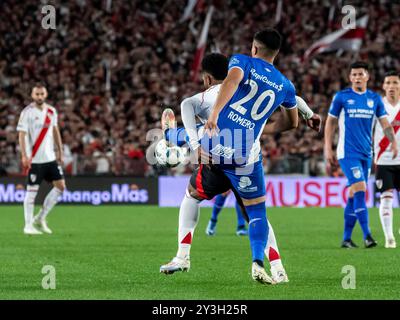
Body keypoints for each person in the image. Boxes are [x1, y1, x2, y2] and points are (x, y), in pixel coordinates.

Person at [162, 28, 299, 285]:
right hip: (245, 158)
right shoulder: (284, 84)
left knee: (191, 194)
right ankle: (272, 266)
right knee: (257, 214)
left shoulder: (239, 66)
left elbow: (227, 84)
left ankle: (182, 256)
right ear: (277, 53)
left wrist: (212, 117)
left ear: (254, 48)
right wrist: (267, 127)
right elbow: (291, 121)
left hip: (217, 152)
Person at [324, 62, 398, 249]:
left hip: (366, 153)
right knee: (360, 189)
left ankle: (346, 238)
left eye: (360, 74)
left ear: (367, 76)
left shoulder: (374, 99)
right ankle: (368, 236)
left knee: (353, 193)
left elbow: (385, 124)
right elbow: (330, 123)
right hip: (347, 153)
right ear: (350, 78)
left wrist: (394, 142)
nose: (357, 77)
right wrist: (327, 147)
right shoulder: (342, 97)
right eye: (354, 74)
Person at [17, 84, 66, 235]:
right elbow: (22, 135)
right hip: (35, 160)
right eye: (37, 94)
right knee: (32, 193)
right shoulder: (27, 112)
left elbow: (55, 130)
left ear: (46, 94)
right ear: (32, 95)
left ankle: (40, 218)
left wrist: (60, 150)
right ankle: (28, 225)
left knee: (61, 187)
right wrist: (24, 155)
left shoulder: (52, 111)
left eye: (42, 94)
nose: (39, 96)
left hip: (50, 158)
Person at [374, 71, 400, 248]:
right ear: (384, 86)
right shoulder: (378, 105)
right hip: (383, 160)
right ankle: (389, 237)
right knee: (386, 197)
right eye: (388, 83)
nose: (392, 86)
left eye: (395, 83)